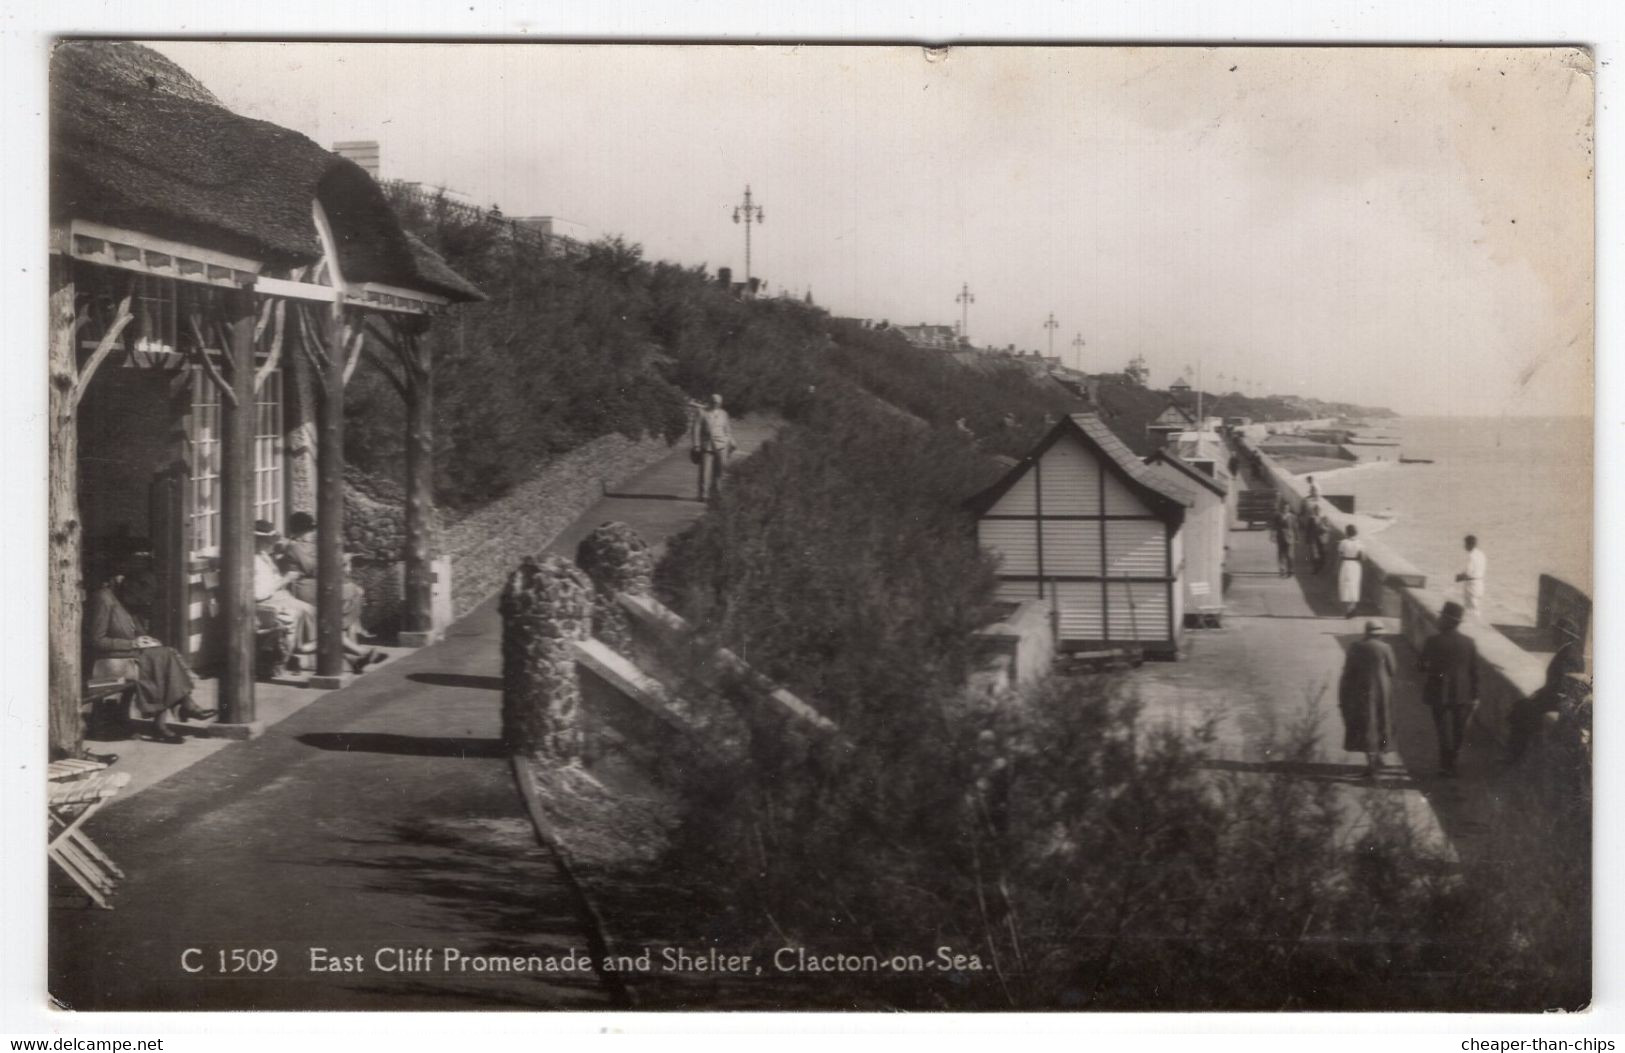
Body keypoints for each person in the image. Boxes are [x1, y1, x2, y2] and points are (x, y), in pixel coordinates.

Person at [86, 559, 214, 743]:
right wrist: (133, 644)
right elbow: (96, 641)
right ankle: (180, 708)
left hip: (130, 656)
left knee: (164, 655)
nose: (138, 603)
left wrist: (146, 639)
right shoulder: (103, 599)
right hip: (106, 660)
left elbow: (136, 632)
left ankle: (174, 714)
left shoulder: (124, 600)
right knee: (163, 658)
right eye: (137, 599)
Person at [279, 511, 380, 672]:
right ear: (299, 532)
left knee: (354, 590)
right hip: (305, 586)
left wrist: (340, 560)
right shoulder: (294, 546)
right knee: (349, 591)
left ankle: (353, 655)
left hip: (317, 583)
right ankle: (349, 645)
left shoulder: (307, 544)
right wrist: (337, 561)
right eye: (308, 531)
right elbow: (311, 568)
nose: (311, 534)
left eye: (311, 530)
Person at [1505, 617, 1586, 764]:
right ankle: (1515, 753)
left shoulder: (1569, 654)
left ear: (1565, 635)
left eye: (1556, 633)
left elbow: (1564, 686)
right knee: (1522, 707)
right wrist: (1539, 693)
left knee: (1522, 709)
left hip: (1558, 702)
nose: (1553, 636)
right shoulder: (1568, 650)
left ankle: (1515, 755)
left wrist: (1540, 696)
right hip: (1554, 698)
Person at [1420, 600, 1480, 777]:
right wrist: (1476, 695)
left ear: (1447, 620)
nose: (1438, 619)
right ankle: (1453, 762)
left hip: (1439, 693)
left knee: (1443, 729)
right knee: (1458, 729)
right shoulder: (1469, 643)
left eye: (1441, 617)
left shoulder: (1433, 641)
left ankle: (1445, 765)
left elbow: (1422, 666)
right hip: (1463, 694)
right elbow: (1474, 671)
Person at [1339, 621, 1396, 778]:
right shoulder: (1386, 648)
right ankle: (1379, 757)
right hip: (1382, 691)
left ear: (1366, 633)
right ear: (1380, 634)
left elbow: (1349, 670)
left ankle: (1371, 762)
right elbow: (1393, 669)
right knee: (1382, 722)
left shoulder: (1355, 647)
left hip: (1361, 691)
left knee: (1366, 724)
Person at [254, 520, 316, 663]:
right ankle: (304, 648)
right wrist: (285, 580)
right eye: (267, 541)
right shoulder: (253, 561)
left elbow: (272, 580)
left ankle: (308, 646)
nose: (271, 545)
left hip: (278, 596)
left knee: (312, 610)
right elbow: (259, 593)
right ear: (257, 541)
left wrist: (284, 577)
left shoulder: (263, 556)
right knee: (308, 611)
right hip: (267, 602)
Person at [690, 393, 738, 503]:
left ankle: (717, 493)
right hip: (707, 445)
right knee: (705, 471)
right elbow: (696, 429)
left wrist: (731, 440)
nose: (716, 404)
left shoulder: (724, 414)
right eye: (714, 402)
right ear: (710, 401)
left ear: (720, 403)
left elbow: (727, 430)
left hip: (722, 446)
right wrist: (696, 444)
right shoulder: (702, 412)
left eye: (718, 403)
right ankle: (703, 495)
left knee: (720, 470)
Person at [1454, 535, 1488, 617]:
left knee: (1470, 609)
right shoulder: (1481, 554)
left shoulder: (1471, 556)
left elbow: (1468, 573)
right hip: (1480, 583)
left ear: (1469, 545)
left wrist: (1458, 577)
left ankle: (1475, 625)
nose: (1464, 546)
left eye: (1465, 544)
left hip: (1471, 585)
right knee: (1476, 607)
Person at [1337, 525, 1364, 617]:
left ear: (1347, 532)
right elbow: (1363, 557)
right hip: (1356, 566)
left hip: (1346, 564)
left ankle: (1348, 610)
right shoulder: (1359, 543)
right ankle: (1353, 607)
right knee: (1354, 586)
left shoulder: (1343, 542)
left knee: (1346, 586)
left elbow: (1340, 555)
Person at [1274, 506, 1298, 577]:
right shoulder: (1278, 516)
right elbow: (1275, 527)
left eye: (1286, 508)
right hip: (1280, 538)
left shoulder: (1292, 517)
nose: (1285, 509)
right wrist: (1274, 535)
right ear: (1282, 509)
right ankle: (1282, 569)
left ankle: (1290, 570)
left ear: (1289, 509)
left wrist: (1297, 538)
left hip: (1290, 538)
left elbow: (1295, 527)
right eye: (1284, 508)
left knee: (1290, 555)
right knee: (1281, 554)